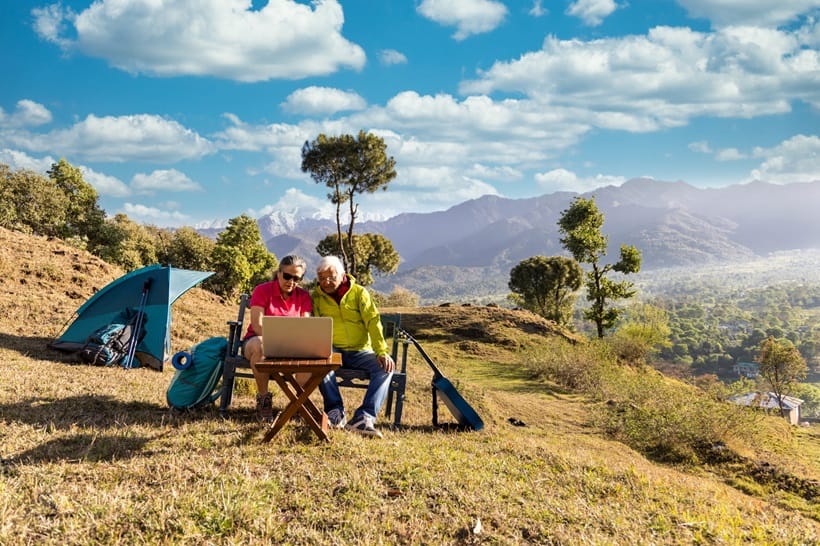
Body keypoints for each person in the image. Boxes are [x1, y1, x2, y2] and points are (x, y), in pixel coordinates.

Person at [312, 255, 395, 438]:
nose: (326, 282)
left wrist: (381, 351)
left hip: (360, 351)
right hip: (333, 349)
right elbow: (315, 326)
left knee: (386, 367)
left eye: (331, 277)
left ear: (342, 275)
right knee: (321, 360)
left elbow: (373, 322)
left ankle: (364, 417)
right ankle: (335, 411)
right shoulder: (316, 297)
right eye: (322, 278)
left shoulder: (359, 293)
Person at [242, 255, 312, 422]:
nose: (291, 281)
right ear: (279, 273)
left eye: (297, 278)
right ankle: (264, 400)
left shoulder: (303, 296)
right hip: (257, 341)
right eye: (287, 276)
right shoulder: (262, 290)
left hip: (291, 347)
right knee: (261, 346)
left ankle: (297, 404)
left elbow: (306, 326)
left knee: (311, 357)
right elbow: (257, 326)